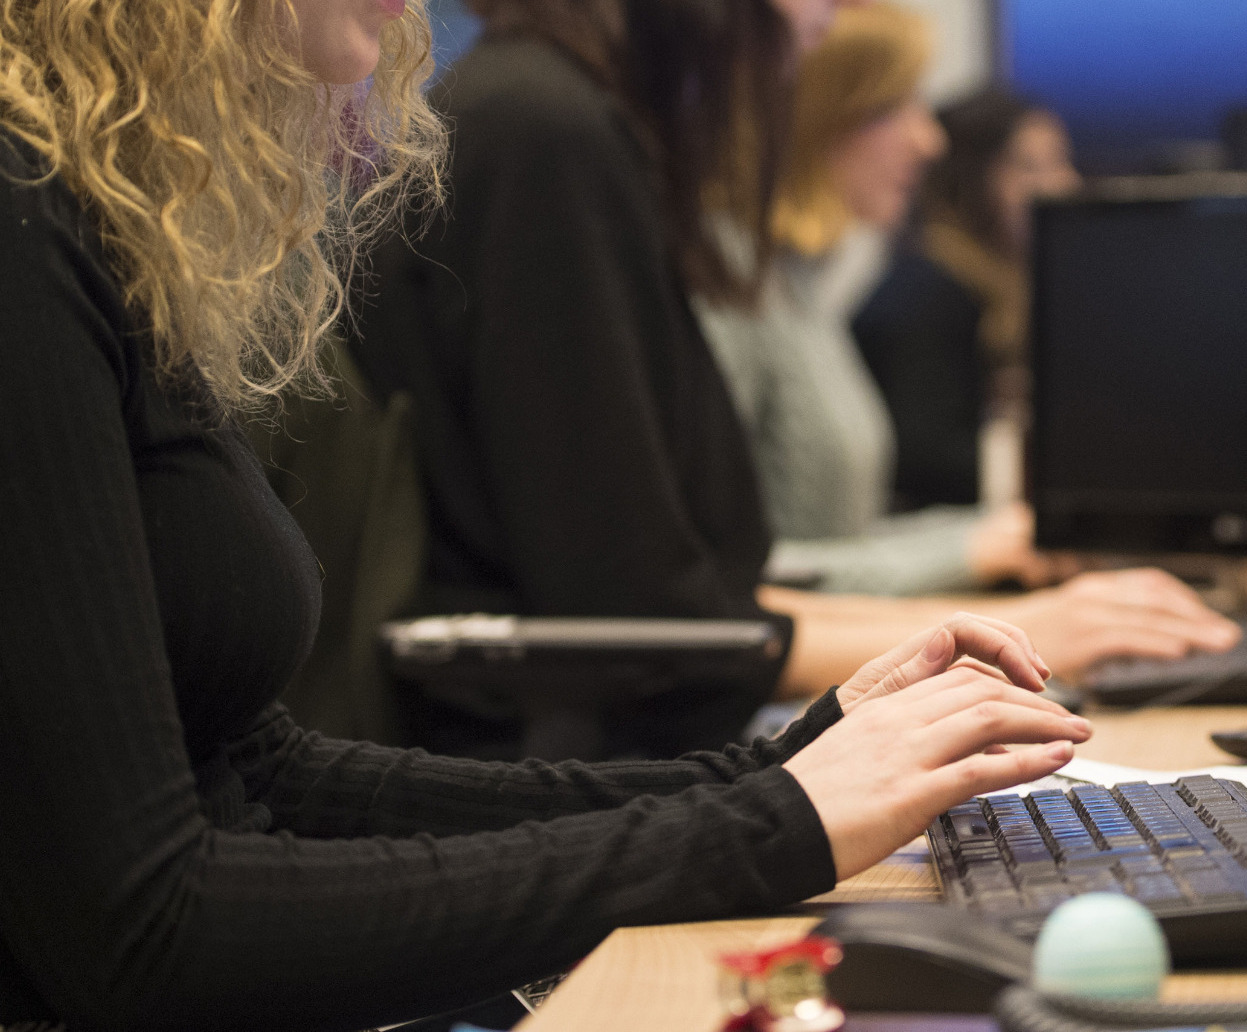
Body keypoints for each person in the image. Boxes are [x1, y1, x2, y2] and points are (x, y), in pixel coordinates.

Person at [0, 0, 1091, 1028]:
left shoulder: (103, 221)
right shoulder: (24, 222)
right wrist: (770, 825)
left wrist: (781, 771)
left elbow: (261, 775)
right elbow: (143, 930)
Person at [354, 0, 1238, 761]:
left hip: (610, 765)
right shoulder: (545, 129)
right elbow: (648, 624)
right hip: (562, 780)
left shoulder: (574, 125)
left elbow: (693, 601)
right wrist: (1006, 633)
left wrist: (991, 629)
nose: (830, 14)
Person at [696, 8, 1237, 644]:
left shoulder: (791, 288)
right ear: (813, 117)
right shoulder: (723, 284)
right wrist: (973, 560)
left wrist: (995, 536)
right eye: (894, 107)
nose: (929, 141)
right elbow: (726, 589)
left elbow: (841, 544)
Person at [853, 86, 1081, 510]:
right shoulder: (927, 290)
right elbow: (923, 455)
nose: (1064, 185)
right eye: (1030, 168)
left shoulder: (1012, 285)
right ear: (971, 179)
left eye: (1062, 161)